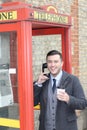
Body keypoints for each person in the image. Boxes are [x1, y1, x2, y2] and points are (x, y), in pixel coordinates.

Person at [33, 50, 87, 130]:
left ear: (61, 63)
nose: (52, 65)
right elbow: (32, 102)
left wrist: (69, 99)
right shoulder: (42, 81)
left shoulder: (72, 80)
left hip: (67, 127)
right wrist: (38, 84)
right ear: (46, 64)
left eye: (56, 62)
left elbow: (83, 103)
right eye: (50, 62)